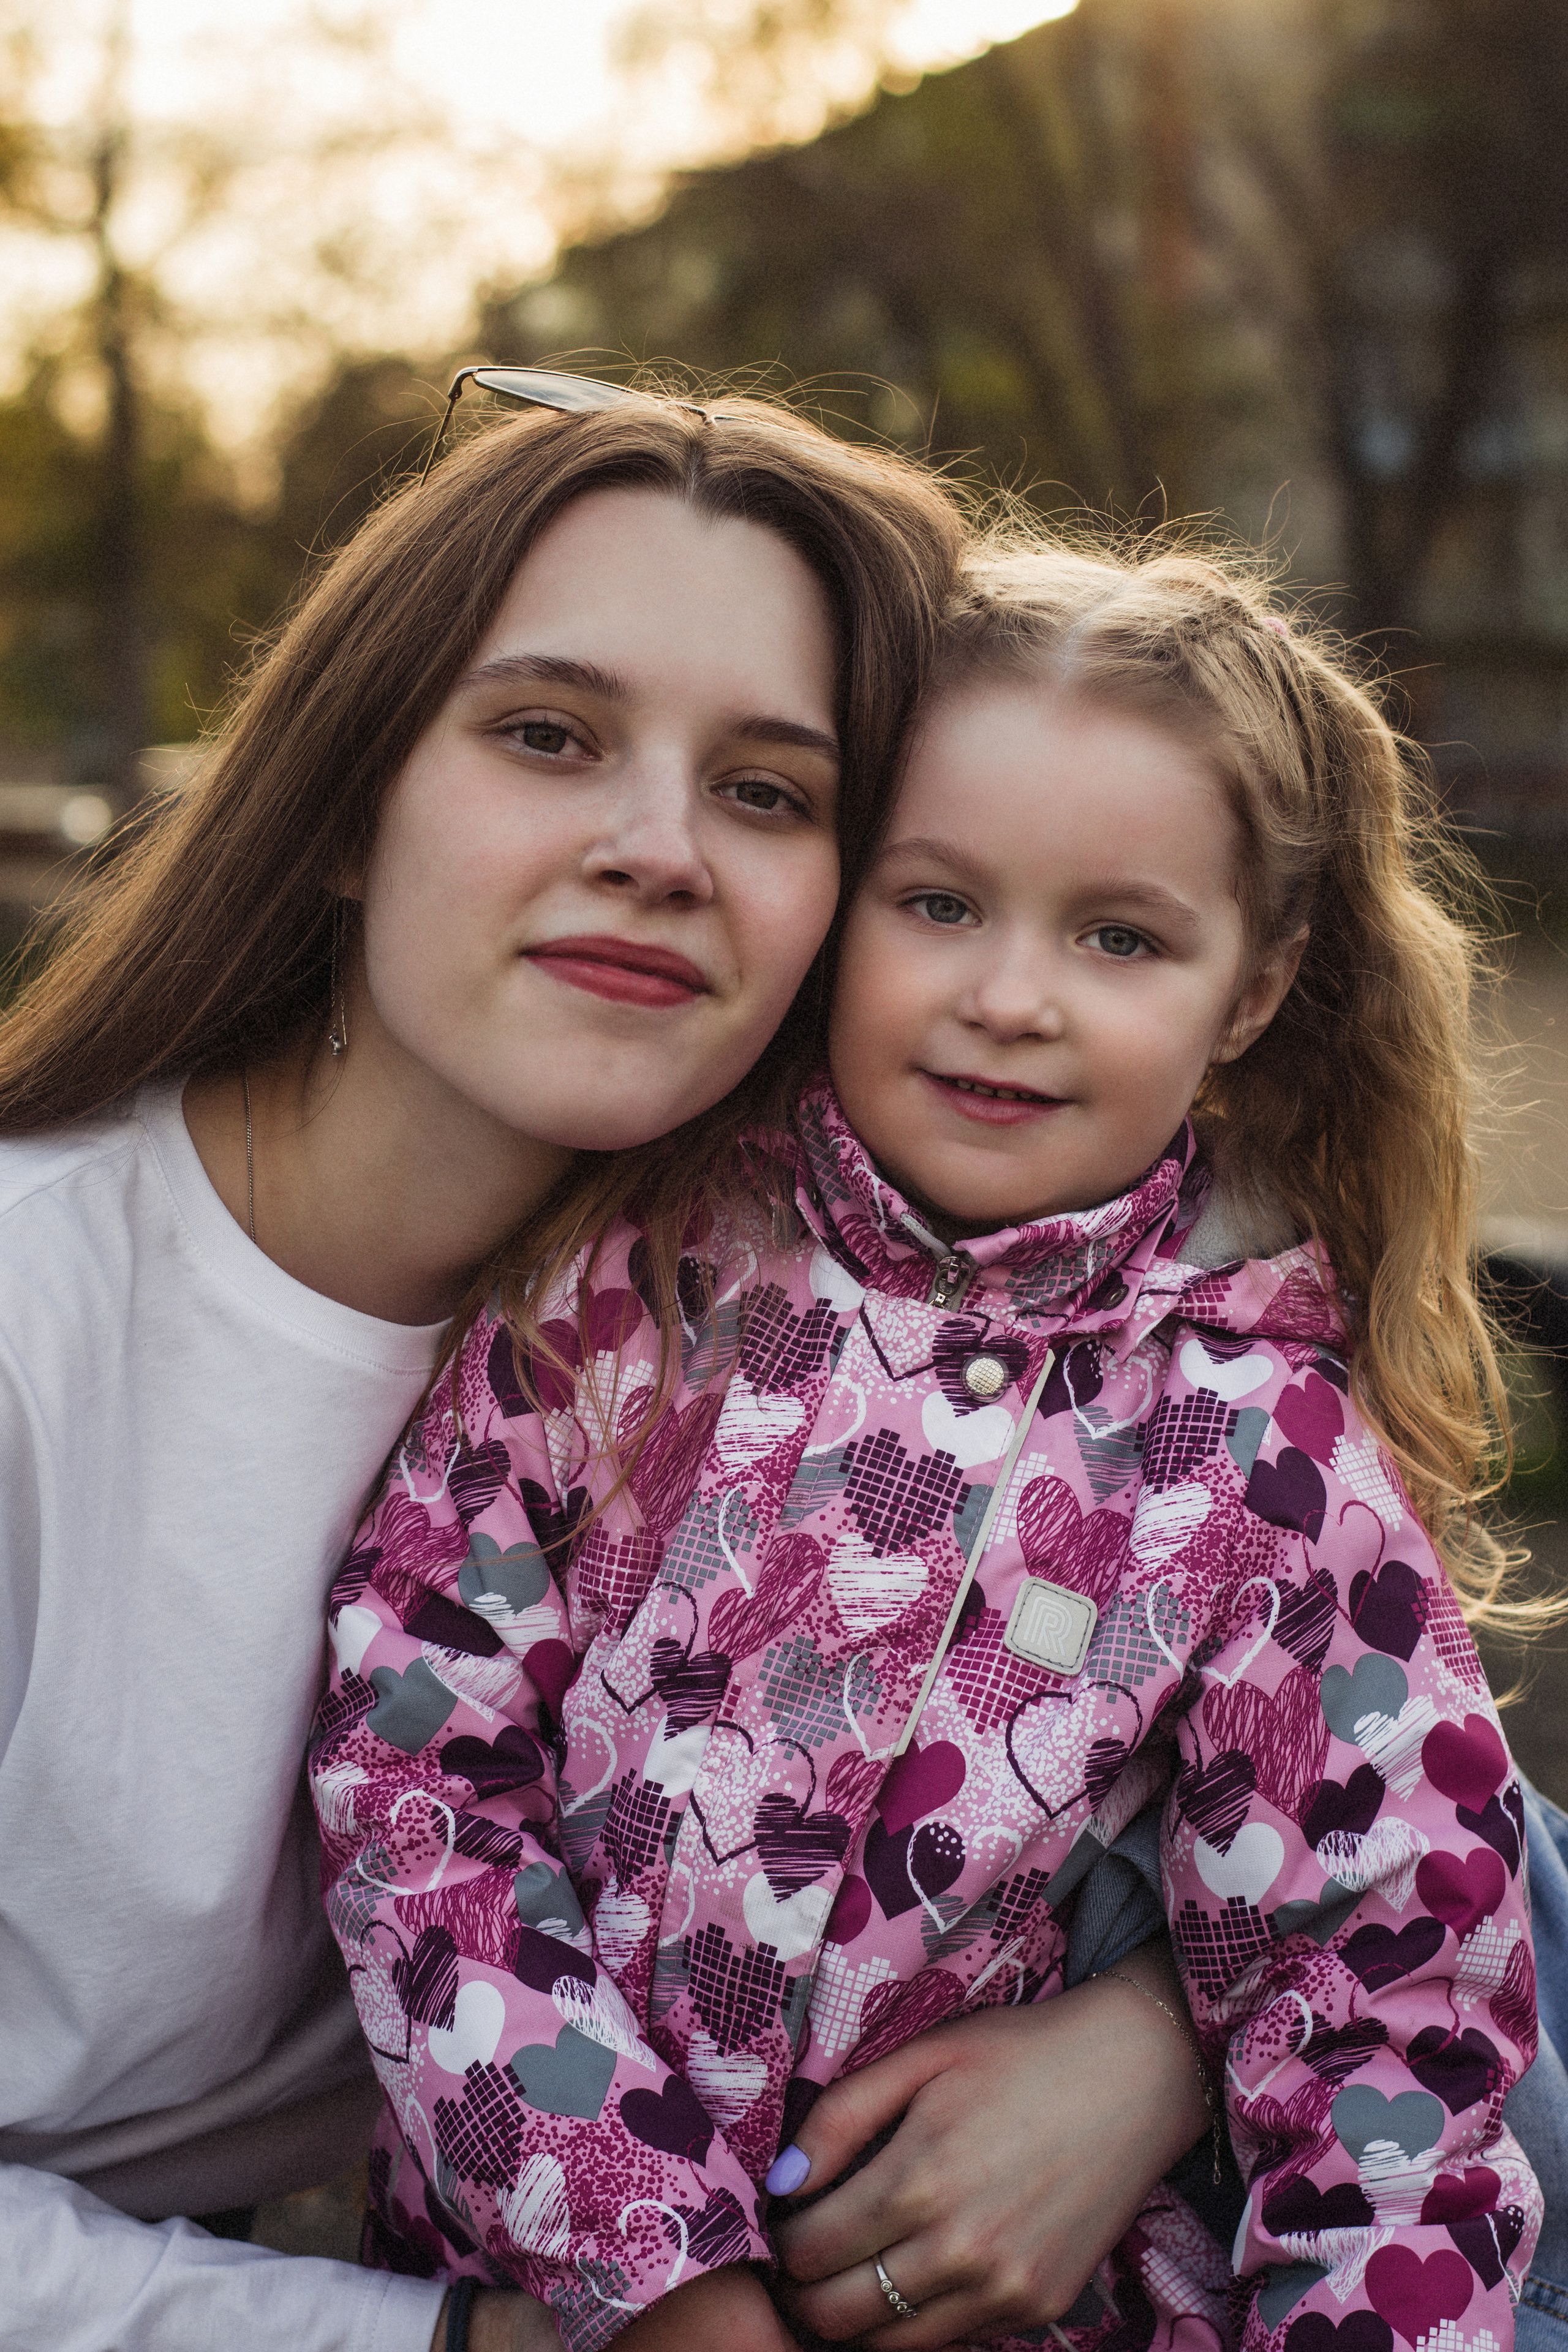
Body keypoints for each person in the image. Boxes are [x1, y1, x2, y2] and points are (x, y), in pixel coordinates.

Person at [314, 529, 1547, 2352]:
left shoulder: (1268, 1466)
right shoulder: (635, 1291)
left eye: (1119, 935)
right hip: (550, 2302)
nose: (1010, 995)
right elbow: (418, 1769)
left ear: (1257, 989)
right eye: (939, 903)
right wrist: (656, 2276)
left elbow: (1392, 2021)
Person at [0, 375, 974, 2352]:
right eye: (549, 736)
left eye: (771, 793)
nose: (659, 847)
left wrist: (1157, 2041)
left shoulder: (793, 1360)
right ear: (351, 806)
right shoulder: (34, 1325)